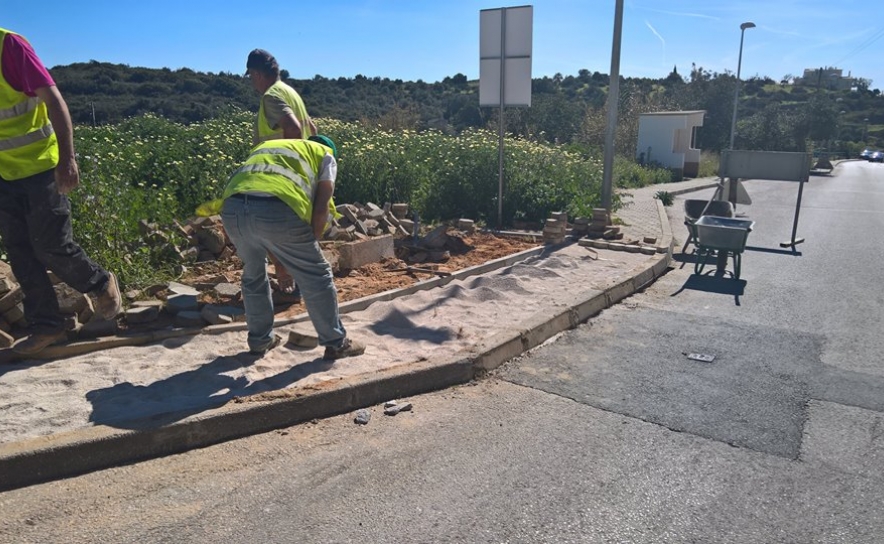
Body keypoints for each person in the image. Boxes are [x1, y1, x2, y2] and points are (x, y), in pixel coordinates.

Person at [0, 28, 121, 355]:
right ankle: (47, 326)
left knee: (51, 245)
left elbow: (54, 101)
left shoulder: (9, 46)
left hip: (41, 166)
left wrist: (68, 160)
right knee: (20, 252)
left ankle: (100, 282)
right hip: (4, 174)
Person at [219, 136, 364, 359]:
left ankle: (260, 342)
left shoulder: (272, 147)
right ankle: (336, 343)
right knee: (317, 275)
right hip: (277, 210)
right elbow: (321, 205)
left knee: (253, 275)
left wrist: (281, 263)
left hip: (233, 209)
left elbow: (262, 229)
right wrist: (311, 248)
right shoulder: (326, 155)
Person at [245, 48, 318, 295]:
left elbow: (294, 128)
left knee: (261, 228)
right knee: (292, 234)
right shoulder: (291, 93)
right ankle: (298, 284)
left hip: (279, 178)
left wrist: (285, 170)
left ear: (256, 74)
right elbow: (313, 130)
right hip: (302, 178)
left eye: (250, 76)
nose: (252, 82)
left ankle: (286, 279)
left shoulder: (271, 97)